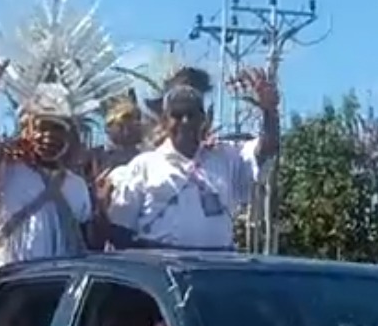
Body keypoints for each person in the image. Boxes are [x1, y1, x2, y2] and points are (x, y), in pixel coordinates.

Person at [104, 64, 281, 250]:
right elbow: (120, 232)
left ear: (203, 119)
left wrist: (270, 112)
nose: (185, 122)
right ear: (165, 121)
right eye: (177, 115)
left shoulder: (225, 156)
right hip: (160, 269)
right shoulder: (143, 166)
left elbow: (267, 149)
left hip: (217, 269)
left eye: (192, 114)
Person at [0, 37, 96, 268]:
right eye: (42, 127)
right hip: (14, 285)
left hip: (60, 287)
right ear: (27, 129)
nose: (49, 136)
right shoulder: (7, 169)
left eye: (57, 129)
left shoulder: (78, 186)